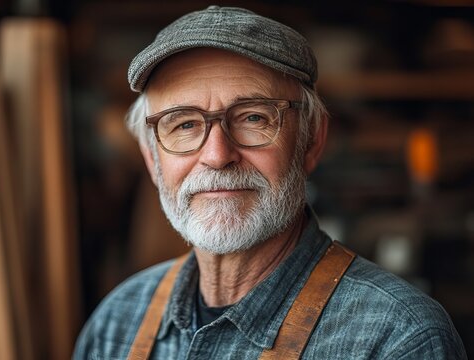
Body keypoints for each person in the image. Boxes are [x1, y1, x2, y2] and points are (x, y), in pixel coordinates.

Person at [74, 5, 467, 359]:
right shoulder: (117, 324)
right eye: (185, 124)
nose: (216, 155)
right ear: (151, 157)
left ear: (312, 140)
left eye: (253, 118)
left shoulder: (398, 339)